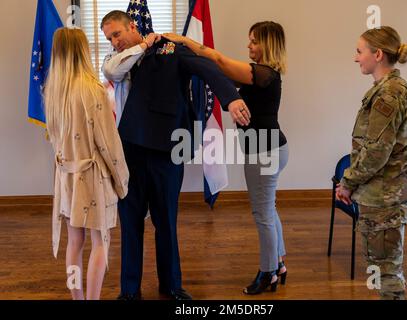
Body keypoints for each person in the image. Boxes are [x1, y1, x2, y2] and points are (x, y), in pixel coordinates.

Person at [101, 10, 250, 300]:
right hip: (129, 149)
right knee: (130, 224)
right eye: (109, 38)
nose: (114, 41)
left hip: (166, 151)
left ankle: (171, 286)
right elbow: (111, 74)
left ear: (133, 26)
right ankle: (129, 292)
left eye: (117, 34)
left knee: (166, 221)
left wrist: (231, 98)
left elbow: (209, 69)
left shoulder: (169, 48)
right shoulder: (116, 61)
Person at [164, 20, 289, 295]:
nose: (249, 45)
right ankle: (279, 263)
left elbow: (218, 59)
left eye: (254, 41)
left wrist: (184, 42)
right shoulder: (262, 74)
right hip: (270, 147)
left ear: (267, 44)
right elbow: (218, 72)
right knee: (269, 208)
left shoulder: (262, 73)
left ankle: (268, 272)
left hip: (264, 150)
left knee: (263, 213)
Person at [336, 26, 407, 300]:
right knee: (381, 269)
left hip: (386, 198)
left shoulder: (389, 94)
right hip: (381, 195)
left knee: (386, 274)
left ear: (378, 54)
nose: (356, 58)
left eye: (360, 52)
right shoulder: (386, 89)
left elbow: (376, 152)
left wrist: (347, 182)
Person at [44, 27, 129, 300]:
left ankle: (78, 298)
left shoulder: (53, 91)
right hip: (93, 178)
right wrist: (122, 180)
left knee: (74, 243)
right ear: (82, 51)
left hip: (66, 178)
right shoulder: (92, 91)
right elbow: (109, 144)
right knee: (100, 243)